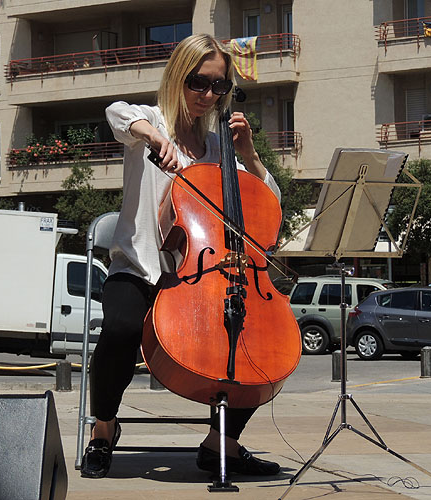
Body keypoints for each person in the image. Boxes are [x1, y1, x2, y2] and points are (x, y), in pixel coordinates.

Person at [81, 33, 283, 479]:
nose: (208, 95)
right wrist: (154, 136)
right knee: (120, 327)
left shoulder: (217, 148)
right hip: (139, 268)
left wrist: (249, 155)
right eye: (199, 83)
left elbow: (267, 201)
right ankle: (104, 429)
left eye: (219, 86)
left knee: (257, 340)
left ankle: (220, 443)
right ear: (178, 77)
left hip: (203, 275)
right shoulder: (149, 122)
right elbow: (117, 113)